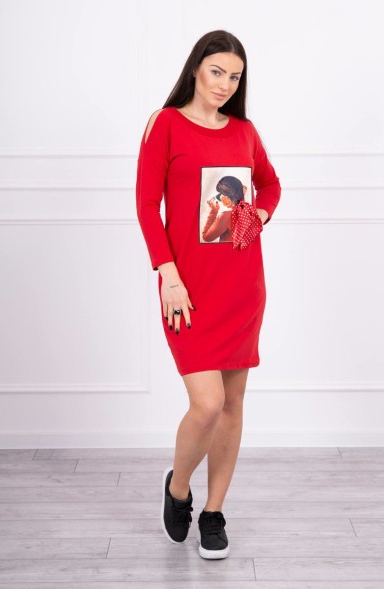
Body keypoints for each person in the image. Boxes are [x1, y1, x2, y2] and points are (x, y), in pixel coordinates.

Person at [135, 30, 282, 560]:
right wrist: (167, 275)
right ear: (196, 68)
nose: (224, 84)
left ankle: (214, 513)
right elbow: (147, 206)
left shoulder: (244, 131)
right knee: (208, 403)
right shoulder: (165, 124)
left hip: (242, 287)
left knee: (232, 404)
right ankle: (178, 488)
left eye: (234, 77)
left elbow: (270, 184)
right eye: (216, 71)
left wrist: (257, 214)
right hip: (187, 289)